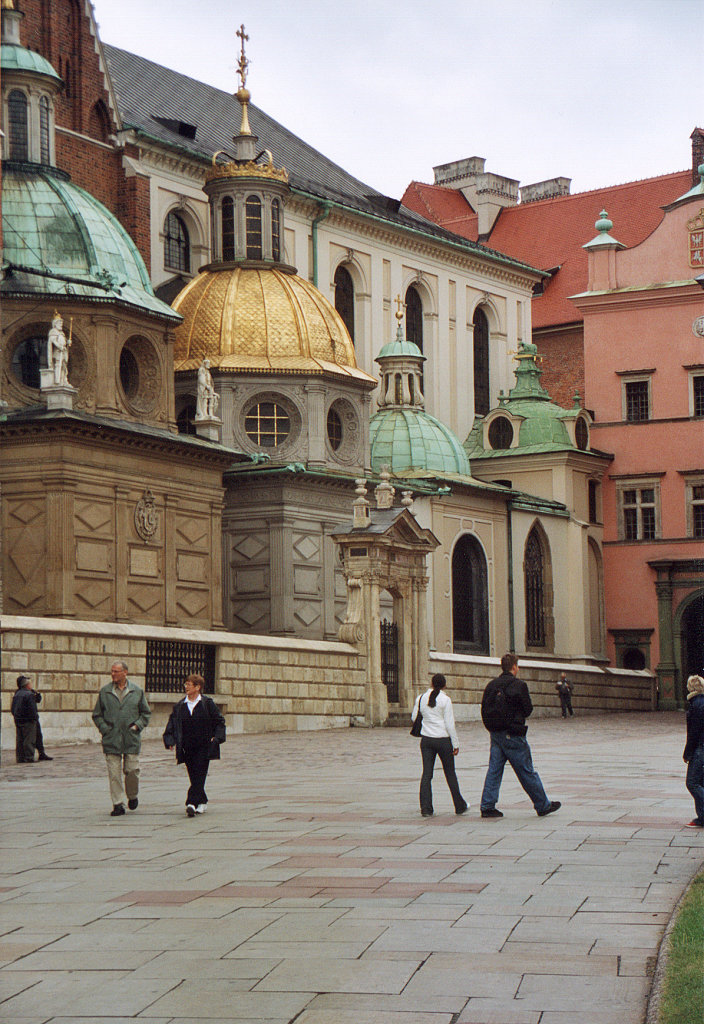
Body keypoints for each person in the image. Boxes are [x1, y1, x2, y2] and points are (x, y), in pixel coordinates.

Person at [480, 653, 561, 819]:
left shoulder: (491, 685)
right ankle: (543, 805)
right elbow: (527, 709)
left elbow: (484, 708)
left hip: (495, 734)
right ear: (514, 667)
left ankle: (487, 805)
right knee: (526, 770)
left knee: (494, 770)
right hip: (513, 734)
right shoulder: (519, 685)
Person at [92, 661, 151, 816]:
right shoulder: (105, 692)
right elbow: (97, 715)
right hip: (111, 739)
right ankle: (118, 803)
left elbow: (146, 713)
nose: (113, 674)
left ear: (125, 672)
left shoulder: (136, 691)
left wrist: (137, 726)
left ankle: (132, 795)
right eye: (112, 671)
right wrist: (105, 729)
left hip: (131, 738)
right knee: (114, 774)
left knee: (132, 770)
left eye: (116, 671)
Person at [163, 674, 226, 816]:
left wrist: (217, 738)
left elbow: (219, 721)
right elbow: (172, 724)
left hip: (204, 745)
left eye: (189, 684)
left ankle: (191, 803)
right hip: (187, 746)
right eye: (185, 684)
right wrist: (170, 740)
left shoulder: (207, 703)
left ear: (198, 687)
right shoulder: (180, 706)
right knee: (193, 774)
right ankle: (202, 801)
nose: (186, 687)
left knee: (200, 773)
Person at [411, 673, 468, 817]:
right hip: (443, 740)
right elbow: (449, 724)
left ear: (431, 683)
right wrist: (455, 743)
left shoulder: (421, 698)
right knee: (450, 773)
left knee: (427, 774)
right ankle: (459, 805)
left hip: (427, 740)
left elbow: (414, 717)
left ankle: (426, 808)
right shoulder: (445, 700)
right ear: (444, 685)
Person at [683, 674, 704, 828]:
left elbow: (694, 732)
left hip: (700, 748)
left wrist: (687, 753)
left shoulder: (697, 704)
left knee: (692, 783)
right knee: (700, 782)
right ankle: (702, 818)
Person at [11, 675, 39, 763]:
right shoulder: (29, 694)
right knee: (29, 740)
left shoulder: (17, 694)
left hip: (18, 719)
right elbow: (32, 708)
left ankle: (20, 758)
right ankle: (29, 757)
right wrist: (34, 718)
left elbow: (13, 708)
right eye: (30, 684)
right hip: (28, 720)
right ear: (27, 685)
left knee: (20, 740)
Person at [47, 313, 70, 385]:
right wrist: (60, 346)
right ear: (55, 324)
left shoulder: (61, 333)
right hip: (58, 352)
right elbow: (53, 341)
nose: (61, 325)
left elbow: (64, 342)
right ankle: (57, 380)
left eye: (61, 324)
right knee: (58, 365)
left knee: (63, 366)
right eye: (60, 323)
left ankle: (63, 380)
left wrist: (68, 342)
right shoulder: (53, 331)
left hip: (63, 351)